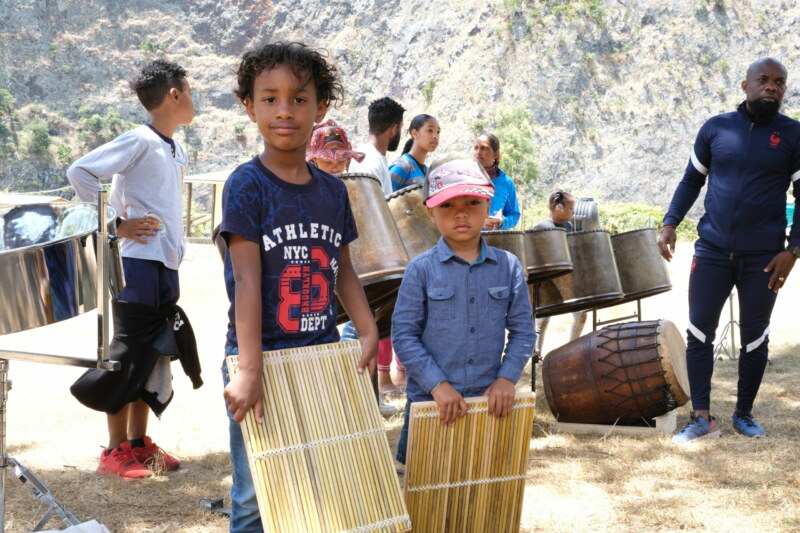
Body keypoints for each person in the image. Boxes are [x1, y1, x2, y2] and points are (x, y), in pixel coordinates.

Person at [219, 42, 378, 532]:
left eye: (299, 98)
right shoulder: (246, 185)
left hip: (319, 356)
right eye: (269, 99)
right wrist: (249, 370)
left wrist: (368, 330)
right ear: (250, 106)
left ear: (320, 107)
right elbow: (245, 278)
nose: (284, 110)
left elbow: (342, 269)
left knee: (315, 481)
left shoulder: (333, 191)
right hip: (261, 356)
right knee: (253, 496)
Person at [658, 57, 800, 444]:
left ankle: (744, 414)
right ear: (745, 85)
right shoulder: (717, 128)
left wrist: (794, 250)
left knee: (756, 337)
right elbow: (691, 181)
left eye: (779, 82)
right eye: (764, 80)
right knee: (699, 331)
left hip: (764, 257)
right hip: (712, 251)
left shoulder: (793, 135)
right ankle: (701, 416)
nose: (772, 87)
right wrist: (670, 222)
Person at [67, 59, 197, 479]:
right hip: (135, 264)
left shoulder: (176, 146)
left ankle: (139, 445)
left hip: (165, 263)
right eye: (189, 91)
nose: (193, 99)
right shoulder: (139, 139)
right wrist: (115, 225)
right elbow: (80, 171)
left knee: (155, 349)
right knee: (127, 351)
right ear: (174, 95)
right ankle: (113, 450)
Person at [391, 155, 536, 464]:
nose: (460, 214)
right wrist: (437, 385)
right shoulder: (420, 270)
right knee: (425, 497)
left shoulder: (508, 267)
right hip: (430, 405)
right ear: (430, 211)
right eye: (447, 205)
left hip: (488, 404)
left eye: (471, 202)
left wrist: (507, 378)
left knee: (480, 493)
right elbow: (404, 336)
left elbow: (524, 332)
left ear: (488, 206)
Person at [533, 190, 586, 355]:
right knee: (542, 320)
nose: (573, 212)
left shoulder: (568, 226)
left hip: (567, 282)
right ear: (558, 208)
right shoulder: (541, 229)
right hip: (547, 284)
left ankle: (572, 349)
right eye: (571, 208)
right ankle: (536, 355)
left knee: (581, 315)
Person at [349, 96, 406, 195]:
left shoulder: (370, 157)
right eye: (400, 128)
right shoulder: (370, 162)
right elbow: (369, 208)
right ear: (393, 129)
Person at [473, 133, 521, 230]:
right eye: (476, 148)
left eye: (484, 148)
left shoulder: (506, 182)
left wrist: (502, 222)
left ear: (496, 154)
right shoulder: (465, 179)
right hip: (466, 240)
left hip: (495, 240)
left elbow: (514, 215)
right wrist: (480, 222)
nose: (478, 152)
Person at [388, 114, 440, 191]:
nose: (435, 136)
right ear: (414, 133)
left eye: (438, 132)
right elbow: (381, 198)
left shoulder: (428, 171)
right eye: (430, 130)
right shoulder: (402, 166)